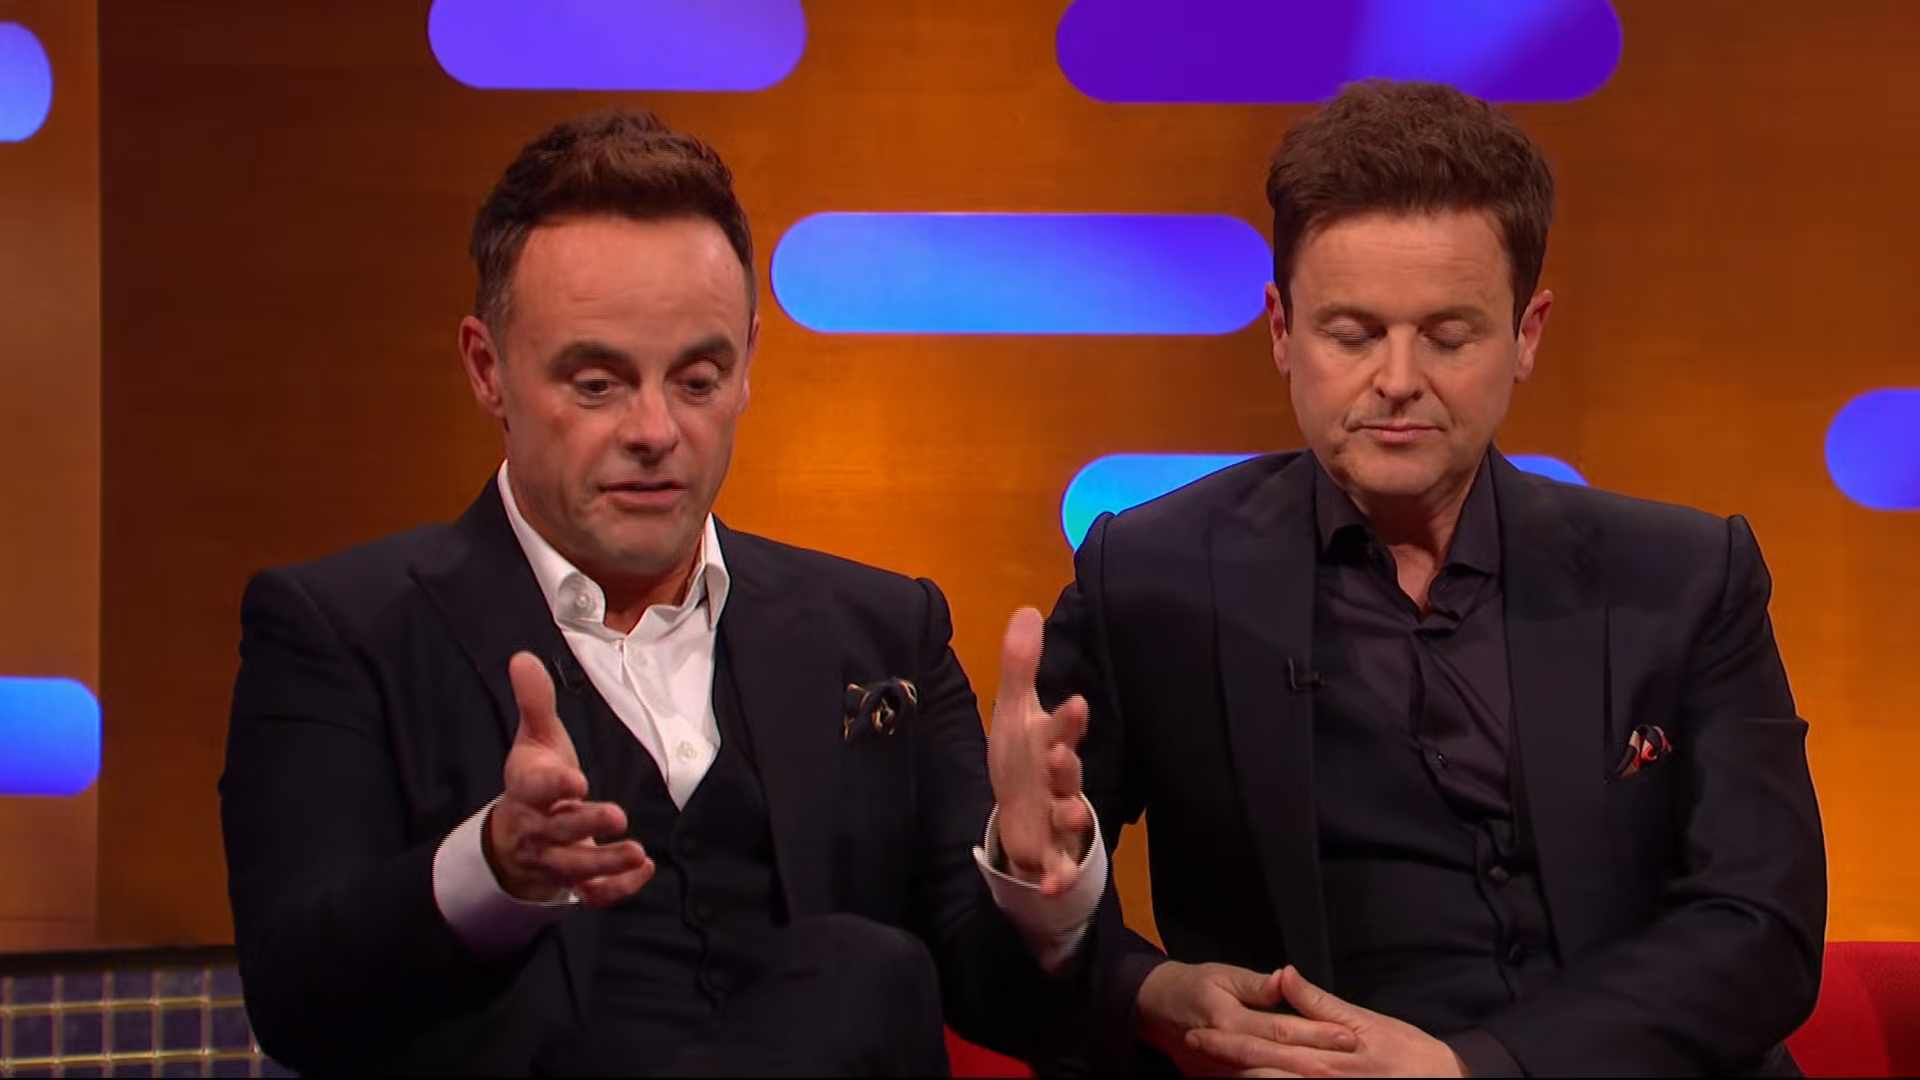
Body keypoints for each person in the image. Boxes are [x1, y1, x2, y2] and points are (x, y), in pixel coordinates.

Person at [219, 110, 1108, 1077]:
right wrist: (493, 869)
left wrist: (1033, 877)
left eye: (696, 379)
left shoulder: (884, 632)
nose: (654, 430)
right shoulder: (341, 629)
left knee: (865, 973)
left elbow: (1002, 1000)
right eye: (597, 383)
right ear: (487, 369)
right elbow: (299, 1000)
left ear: (748, 367)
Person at [1023, 80, 1827, 1077]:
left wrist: (1473, 1070)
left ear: (1527, 335)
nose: (1399, 380)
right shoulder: (1153, 579)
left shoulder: (1687, 578)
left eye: (1448, 336)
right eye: (1353, 334)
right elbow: (1003, 944)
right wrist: (1141, 985)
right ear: (1280, 330)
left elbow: (1761, 928)